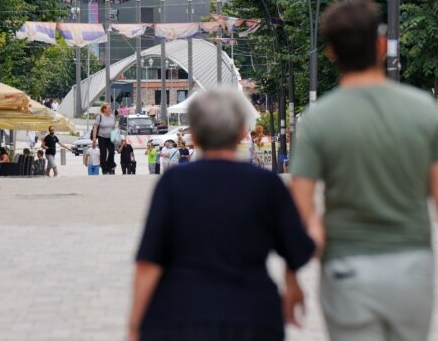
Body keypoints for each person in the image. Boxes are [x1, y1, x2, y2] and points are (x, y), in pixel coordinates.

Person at [290, 0, 438, 341]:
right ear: (380, 45)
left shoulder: (317, 121)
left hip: (346, 269)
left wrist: (291, 278)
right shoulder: (422, 111)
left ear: (331, 52)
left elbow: (301, 207)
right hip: (411, 266)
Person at [129, 87, 314, 341]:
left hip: (181, 316)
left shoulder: (173, 183)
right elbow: (299, 251)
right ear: (241, 131)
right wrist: (313, 216)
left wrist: (134, 326)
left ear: (195, 133)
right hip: (253, 317)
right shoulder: (266, 185)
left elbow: (148, 264)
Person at [92, 104, 117, 174]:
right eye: (109, 108)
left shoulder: (113, 117)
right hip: (101, 137)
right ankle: (104, 169)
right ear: (104, 109)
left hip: (110, 137)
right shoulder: (99, 117)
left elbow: (114, 128)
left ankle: (110, 166)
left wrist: (116, 137)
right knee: (103, 154)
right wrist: (94, 139)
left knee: (112, 152)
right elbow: (95, 128)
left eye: (110, 108)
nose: (110, 109)